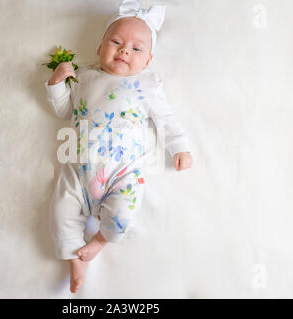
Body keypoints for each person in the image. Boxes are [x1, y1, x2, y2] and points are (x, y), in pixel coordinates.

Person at [44, 0, 193, 293]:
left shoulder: (146, 84)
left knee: (123, 214)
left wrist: (180, 147)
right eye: (116, 42)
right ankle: (75, 257)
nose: (125, 50)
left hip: (121, 175)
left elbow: (166, 118)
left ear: (148, 60)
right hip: (77, 170)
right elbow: (63, 110)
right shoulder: (84, 76)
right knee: (60, 211)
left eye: (137, 49)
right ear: (100, 48)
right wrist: (56, 83)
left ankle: (99, 242)